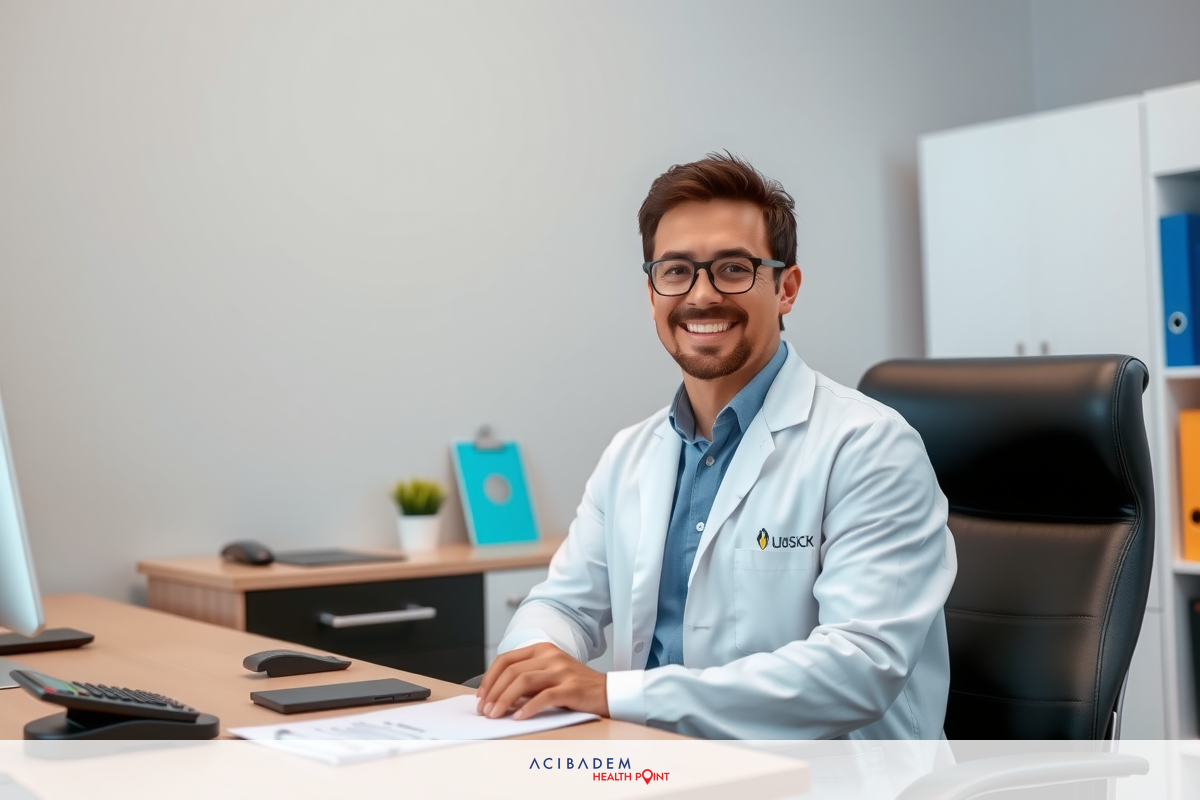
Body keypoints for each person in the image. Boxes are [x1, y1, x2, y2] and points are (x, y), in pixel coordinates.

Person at [475, 153, 957, 739]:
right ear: (652, 294)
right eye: (676, 271)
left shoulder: (870, 447)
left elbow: (857, 669)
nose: (701, 296)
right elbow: (565, 606)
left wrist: (608, 692)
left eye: (733, 268)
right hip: (661, 771)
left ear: (787, 288)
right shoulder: (630, 455)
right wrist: (535, 667)